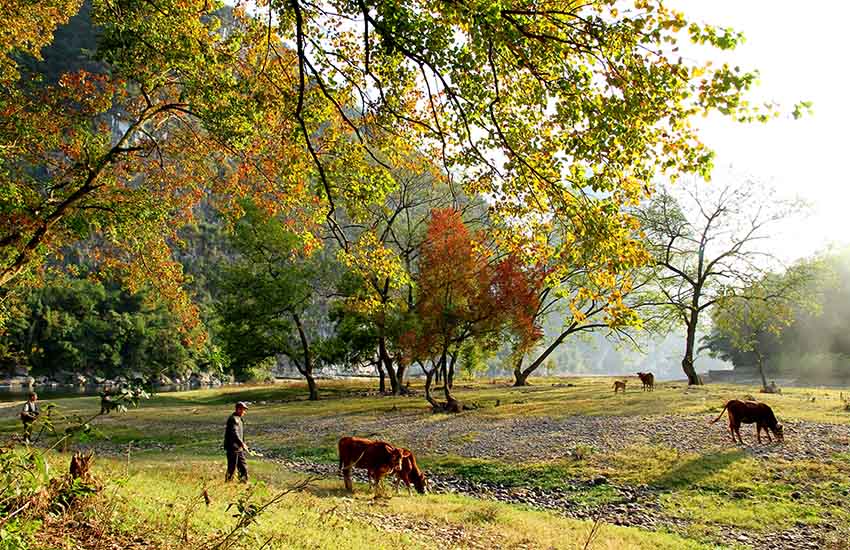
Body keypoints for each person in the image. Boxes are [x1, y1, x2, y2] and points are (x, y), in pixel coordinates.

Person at [223, 401, 249, 482]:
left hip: (239, 448)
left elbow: (240, 434)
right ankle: (227, 484)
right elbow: (234, 433)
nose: (244, 412)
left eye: (244, 410)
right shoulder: (233, 419)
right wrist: (242, 443)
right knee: (232, 468)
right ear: (237, 409)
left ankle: (243, 484)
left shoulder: (239, 419)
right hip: (232, 448)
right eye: (242, 409)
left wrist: (242, 444)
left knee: (243, 467)